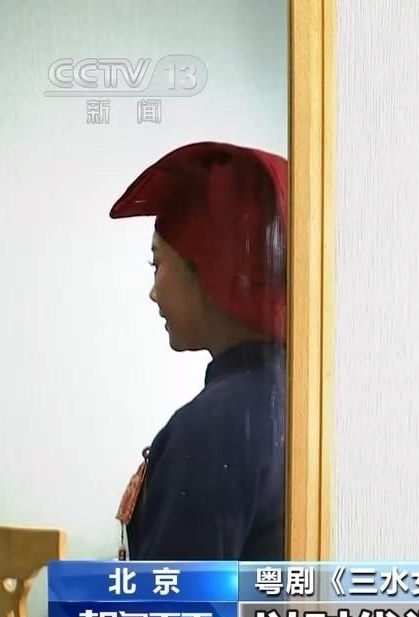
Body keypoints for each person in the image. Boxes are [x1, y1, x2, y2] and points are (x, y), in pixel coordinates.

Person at [109, 141, 289, 562]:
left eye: (157, 264)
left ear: (207, 268)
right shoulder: (293, 395)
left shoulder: (212, 431)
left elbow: (171, 605)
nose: (153, 292)